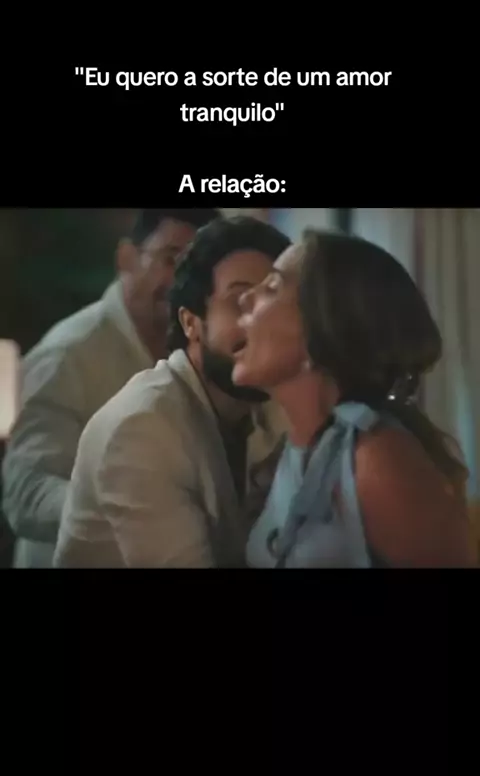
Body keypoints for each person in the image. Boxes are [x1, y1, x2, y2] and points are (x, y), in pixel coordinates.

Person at [53, 216, 289, 568]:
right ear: (191, 322)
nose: (259, 321)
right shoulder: (141, 428)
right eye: (240, 301)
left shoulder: (271, 408)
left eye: (272, 301)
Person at [231, 230, 476, 568]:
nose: (245, 298)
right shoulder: (295, 452)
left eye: (272, 287)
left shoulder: (376, 459)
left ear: (320, 330)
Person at [3, 208, 219, 568]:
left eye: (201, 268)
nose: (185, 281)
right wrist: (125, 508)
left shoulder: (207, 352)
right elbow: (25, 492)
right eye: (171, 259)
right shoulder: (68, 355)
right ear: (126, 258)